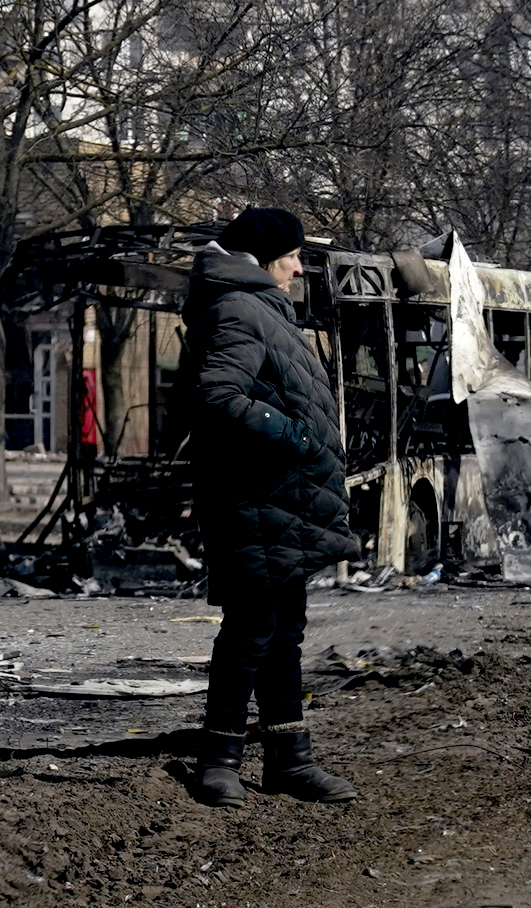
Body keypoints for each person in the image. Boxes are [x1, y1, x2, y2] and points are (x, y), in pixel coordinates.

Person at [182, 205, 361, 807]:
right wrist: (295, 436)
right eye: (291, 256)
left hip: (278, 503)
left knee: (283, 633)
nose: (298, 268)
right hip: (253, 500)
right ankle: (219, 761)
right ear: (262, 259)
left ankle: (290, 760)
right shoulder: (238, 309)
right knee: (251, 632)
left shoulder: (260, 309)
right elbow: (217, 395)